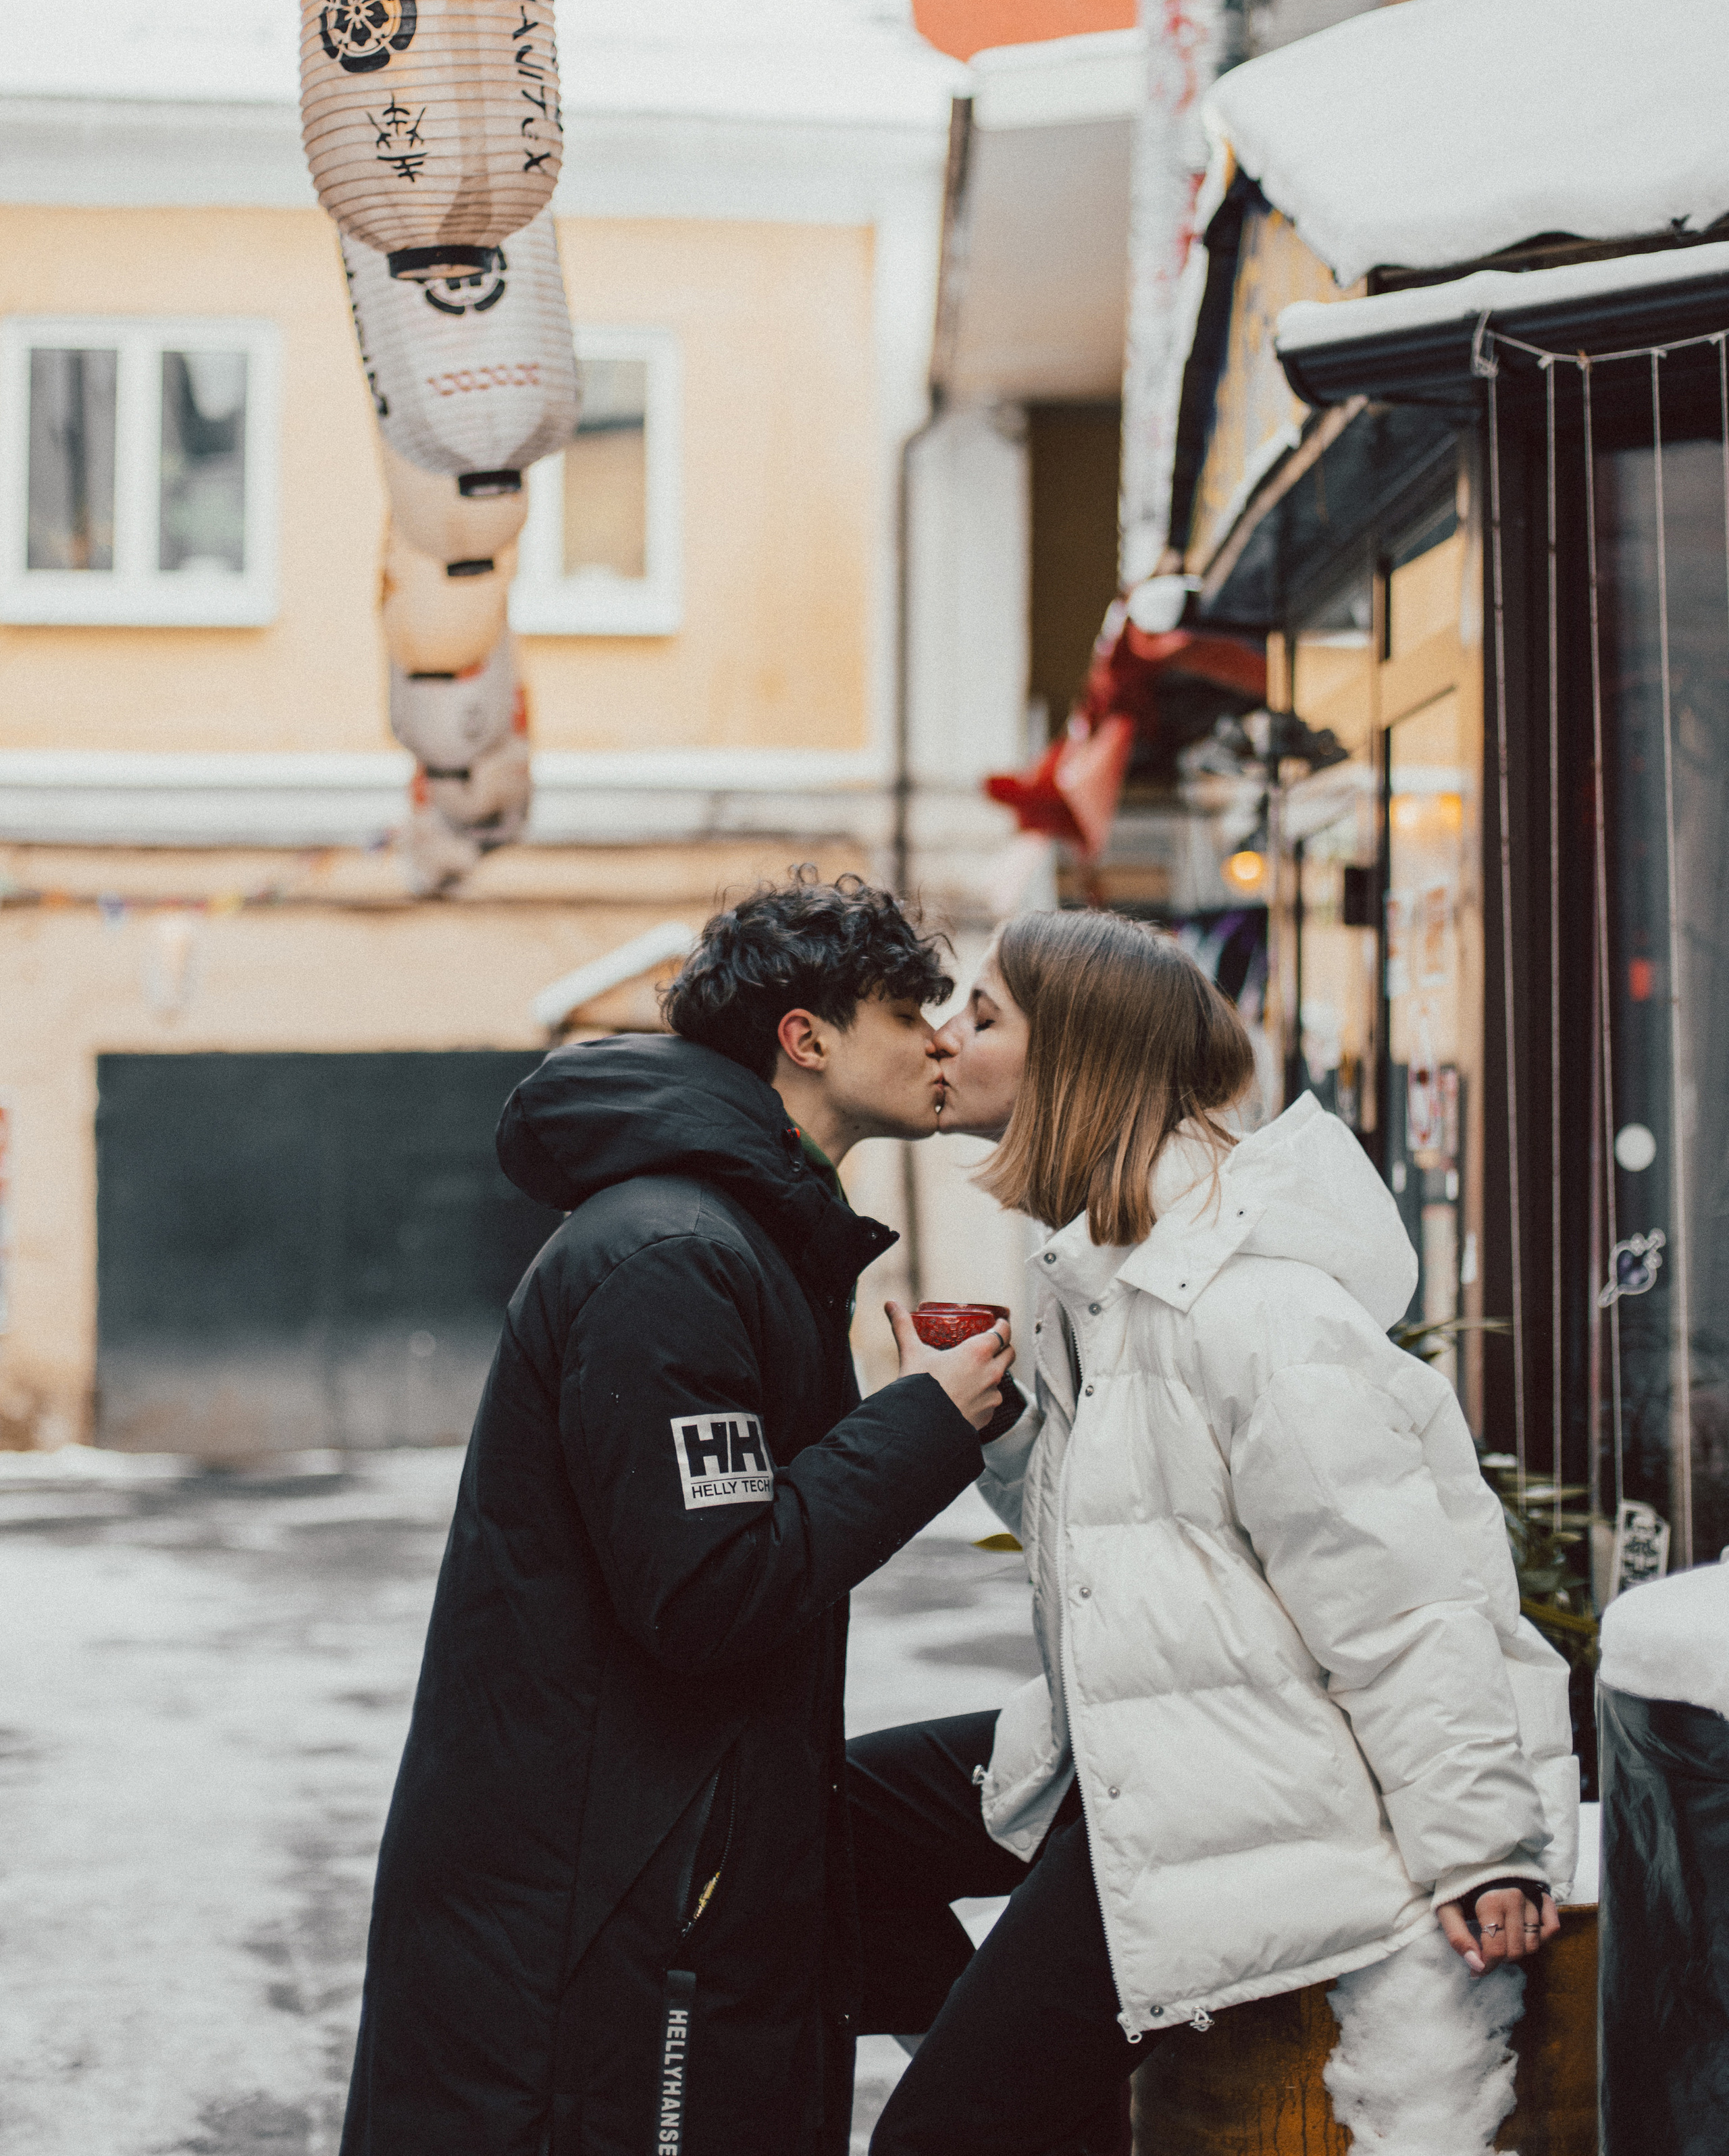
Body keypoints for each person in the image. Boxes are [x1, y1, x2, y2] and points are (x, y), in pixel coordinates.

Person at [850, 910, 1578, 2156]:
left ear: (1076, 1057)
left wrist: (1485, 1849)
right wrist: (999, 1427)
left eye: (986, 1015)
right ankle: (1034, 2083)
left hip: (1236, 1789)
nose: (946, 1035)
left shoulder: (1252, 1306)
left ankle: (1005, 2085)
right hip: (1136, 1741)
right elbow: (1125, 1548)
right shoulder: (1099, 1277)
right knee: (828, 1813)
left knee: (936, 2138)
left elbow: (1403, 1598)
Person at [340, 872, 1017, 2156]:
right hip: (606, 1915)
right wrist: (923, 1421)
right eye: (908, 1010)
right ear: (804, 1038)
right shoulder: (675, 1254)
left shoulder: (742, 1237)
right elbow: (707, 1593)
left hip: (661, 1880)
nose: (943, 1042)